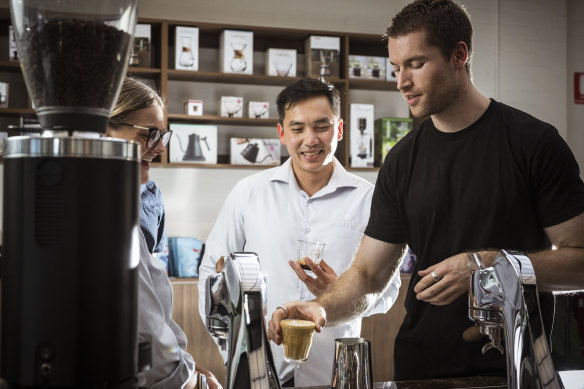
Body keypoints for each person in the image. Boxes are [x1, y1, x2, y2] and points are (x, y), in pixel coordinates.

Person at [268, 0, 584, 382]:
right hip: (421, 369)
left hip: (517, 367)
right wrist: (319, 308)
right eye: (396, 68)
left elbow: (579, 260)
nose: (401, 81)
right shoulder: (401, 161)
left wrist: (486, 264)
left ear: (459, 55)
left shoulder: (533, 143)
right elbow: (368, 275)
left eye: (416, 64)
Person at [197, 77, 401, 386]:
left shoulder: (369, 200)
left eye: (322, 127)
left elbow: (389, 290)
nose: (310, 139)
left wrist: (344, 292)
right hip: (260, 371)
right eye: (297, 128)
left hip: (333, 371)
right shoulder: (249, 193)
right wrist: (239, 356)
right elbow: (212, 276)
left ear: (340, 129)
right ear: (281, 133)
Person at [107, 77, 222, 389]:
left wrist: (187, 366)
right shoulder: (105, 211)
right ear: (106, 130)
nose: (159, 147)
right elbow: (143, 327)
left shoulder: (142, 199)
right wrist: (188, 380)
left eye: (163, 136)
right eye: (149, 135)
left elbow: (156, 312)